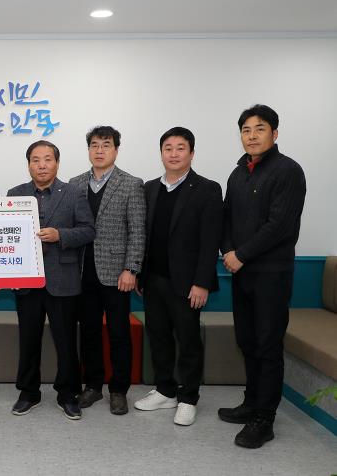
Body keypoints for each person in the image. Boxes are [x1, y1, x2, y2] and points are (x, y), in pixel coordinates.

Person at [218, 104, 306, 448]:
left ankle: (264, 419)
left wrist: (241, 254)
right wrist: (228, 250)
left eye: (260, 129)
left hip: (271, 273)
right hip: (241, 272)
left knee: (268, 345)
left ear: (275, 133)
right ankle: (251, 402)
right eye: (246, 130)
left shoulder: (288, 171)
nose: (252, 136)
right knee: (248, 340)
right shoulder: (238, 173)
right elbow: (226, 217)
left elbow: (279, 225)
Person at [133, 127, 222, 426]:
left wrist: (202, 282)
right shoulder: (149, 188)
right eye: (168, 148)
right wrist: (140, 274)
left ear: (191, 153)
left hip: (188, 283)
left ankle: (188, 398)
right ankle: (165, 391)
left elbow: (210, 240)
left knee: (188, 340)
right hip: (153, 279)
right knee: (158, 338)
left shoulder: (207, 189)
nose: (173, 154)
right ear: (161, 153)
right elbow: (144, 235)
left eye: (180, 148)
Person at [8, 141, 95, 420]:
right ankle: (28, 392)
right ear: (28, 164)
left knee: (66, 342)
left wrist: (61, 235)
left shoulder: (73, 192)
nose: (42, 165)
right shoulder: (15, 194)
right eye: (36, 160)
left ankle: (67, 394)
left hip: (63, 279)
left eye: (47, 159)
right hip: (27, 280)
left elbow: (88, 230)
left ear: (57, 163)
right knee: (28, 340)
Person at [69, 126, 145, 415]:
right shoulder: (75, 184)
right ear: (88, 149)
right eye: (94, 145)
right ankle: (92, 385)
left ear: (116, 149)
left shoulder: (131, 184)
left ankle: (118, 390)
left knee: (118, 333)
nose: (99, 150)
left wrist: (131, 269)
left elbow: (137, 231)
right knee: (88, 332)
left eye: (106, 145)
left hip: (116, 273)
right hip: (81, 272)